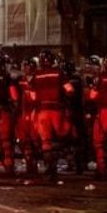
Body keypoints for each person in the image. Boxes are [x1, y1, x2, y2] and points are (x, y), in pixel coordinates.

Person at [26, 51, 75, 179]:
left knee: (45, 141)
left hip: (42, 111)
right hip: (57, 110)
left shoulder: (36, 75)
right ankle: (62, 158)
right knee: (62, 136)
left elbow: (32, 96)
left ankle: (50, 167)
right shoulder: (59, 73)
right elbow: (70, 90)